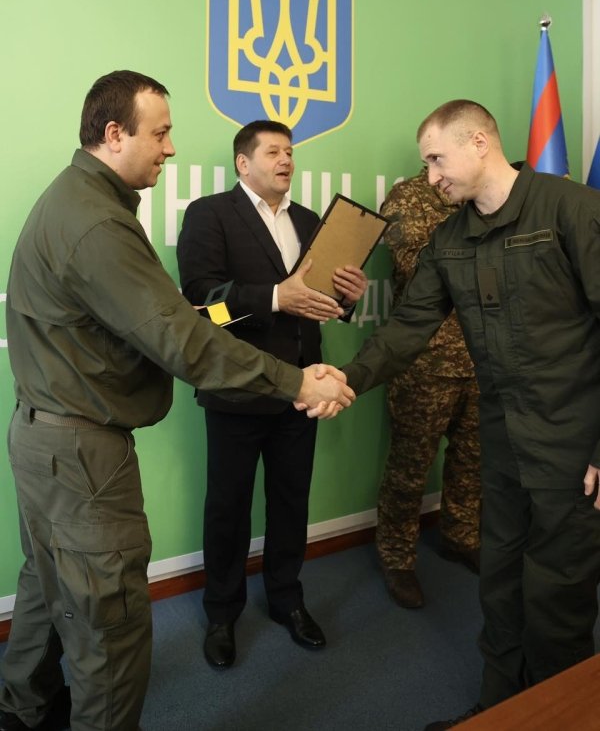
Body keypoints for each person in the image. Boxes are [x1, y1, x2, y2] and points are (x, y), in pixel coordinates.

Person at [0, 72, 354, 731]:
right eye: (159, 133)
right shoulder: (102, 221)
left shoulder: (81, 199)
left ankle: (24, 710)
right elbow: (186, 334)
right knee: (112, 627)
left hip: (48, 437)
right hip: (83, 452)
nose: (169, 148)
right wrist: (300, 382)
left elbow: (162, 320)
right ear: (115, 134)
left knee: (48, 587)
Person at [340, 100, 600, 731]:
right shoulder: (450, 239)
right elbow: (408, 327)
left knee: (558, 594)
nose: (430, 177)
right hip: (502, 436)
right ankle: (501, 707)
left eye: (437, 159)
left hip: (572, 442)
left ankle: (556, 717)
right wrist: (344, 380)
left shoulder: (571, 209)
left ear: (480, 142)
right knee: (500, 579)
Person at [176, 119, 367, 669]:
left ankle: (287, 599)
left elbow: (321, 300)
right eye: (274, 152)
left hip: (302, 390)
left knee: (291, 501)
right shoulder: (210, 214)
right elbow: (202, 303)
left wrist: (349, 297)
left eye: (290, 152)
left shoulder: (309, 221)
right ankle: (222, 612)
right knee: (228, 507)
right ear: (244, 162)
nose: (286, 160)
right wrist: (276, 298)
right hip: (236, 391)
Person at [377, 167, 481, 610]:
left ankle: (461, 535)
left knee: (472, 460)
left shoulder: (479, 194)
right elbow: (418, 267)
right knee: (409, 468)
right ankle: (397, 557)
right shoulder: (409, 198)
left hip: (480, 358)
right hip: (426, 361)